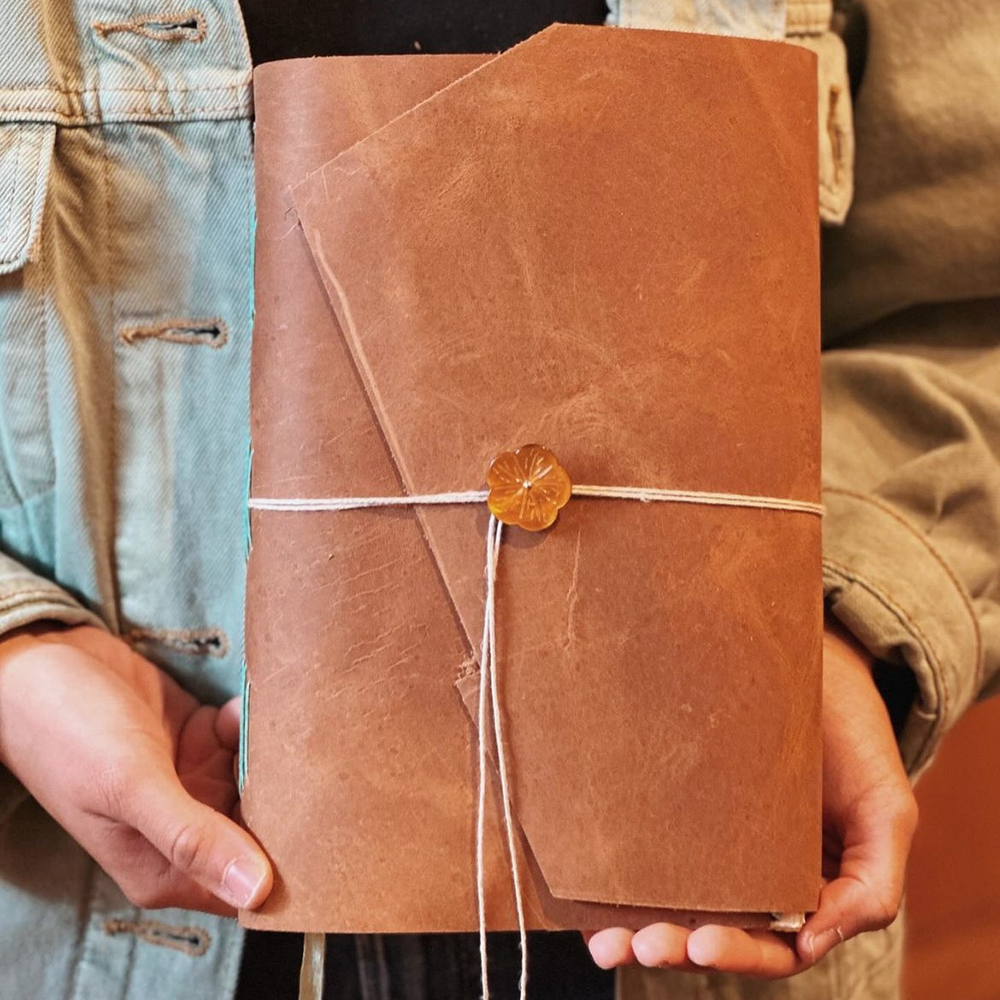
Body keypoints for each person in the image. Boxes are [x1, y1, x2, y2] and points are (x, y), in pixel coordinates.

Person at [0, 2, 996, 1000]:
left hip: (692, 895)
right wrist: (16, 655)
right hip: (95, 936)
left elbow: (964, 304)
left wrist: (834, 624)